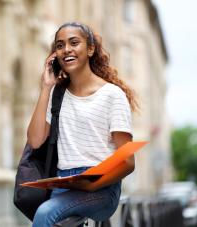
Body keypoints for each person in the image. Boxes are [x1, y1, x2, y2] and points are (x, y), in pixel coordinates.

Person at [26, 22, 139, 227]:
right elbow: (35, 141)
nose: (66, 49)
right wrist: (46, 87)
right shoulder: (56, 94)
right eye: (60, 45)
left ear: (90, 49)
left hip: (103, 187)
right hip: (64, 184)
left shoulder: (112, 95)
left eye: (74, 42)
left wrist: (92, 184)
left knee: (45, 213)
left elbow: (128, 162)